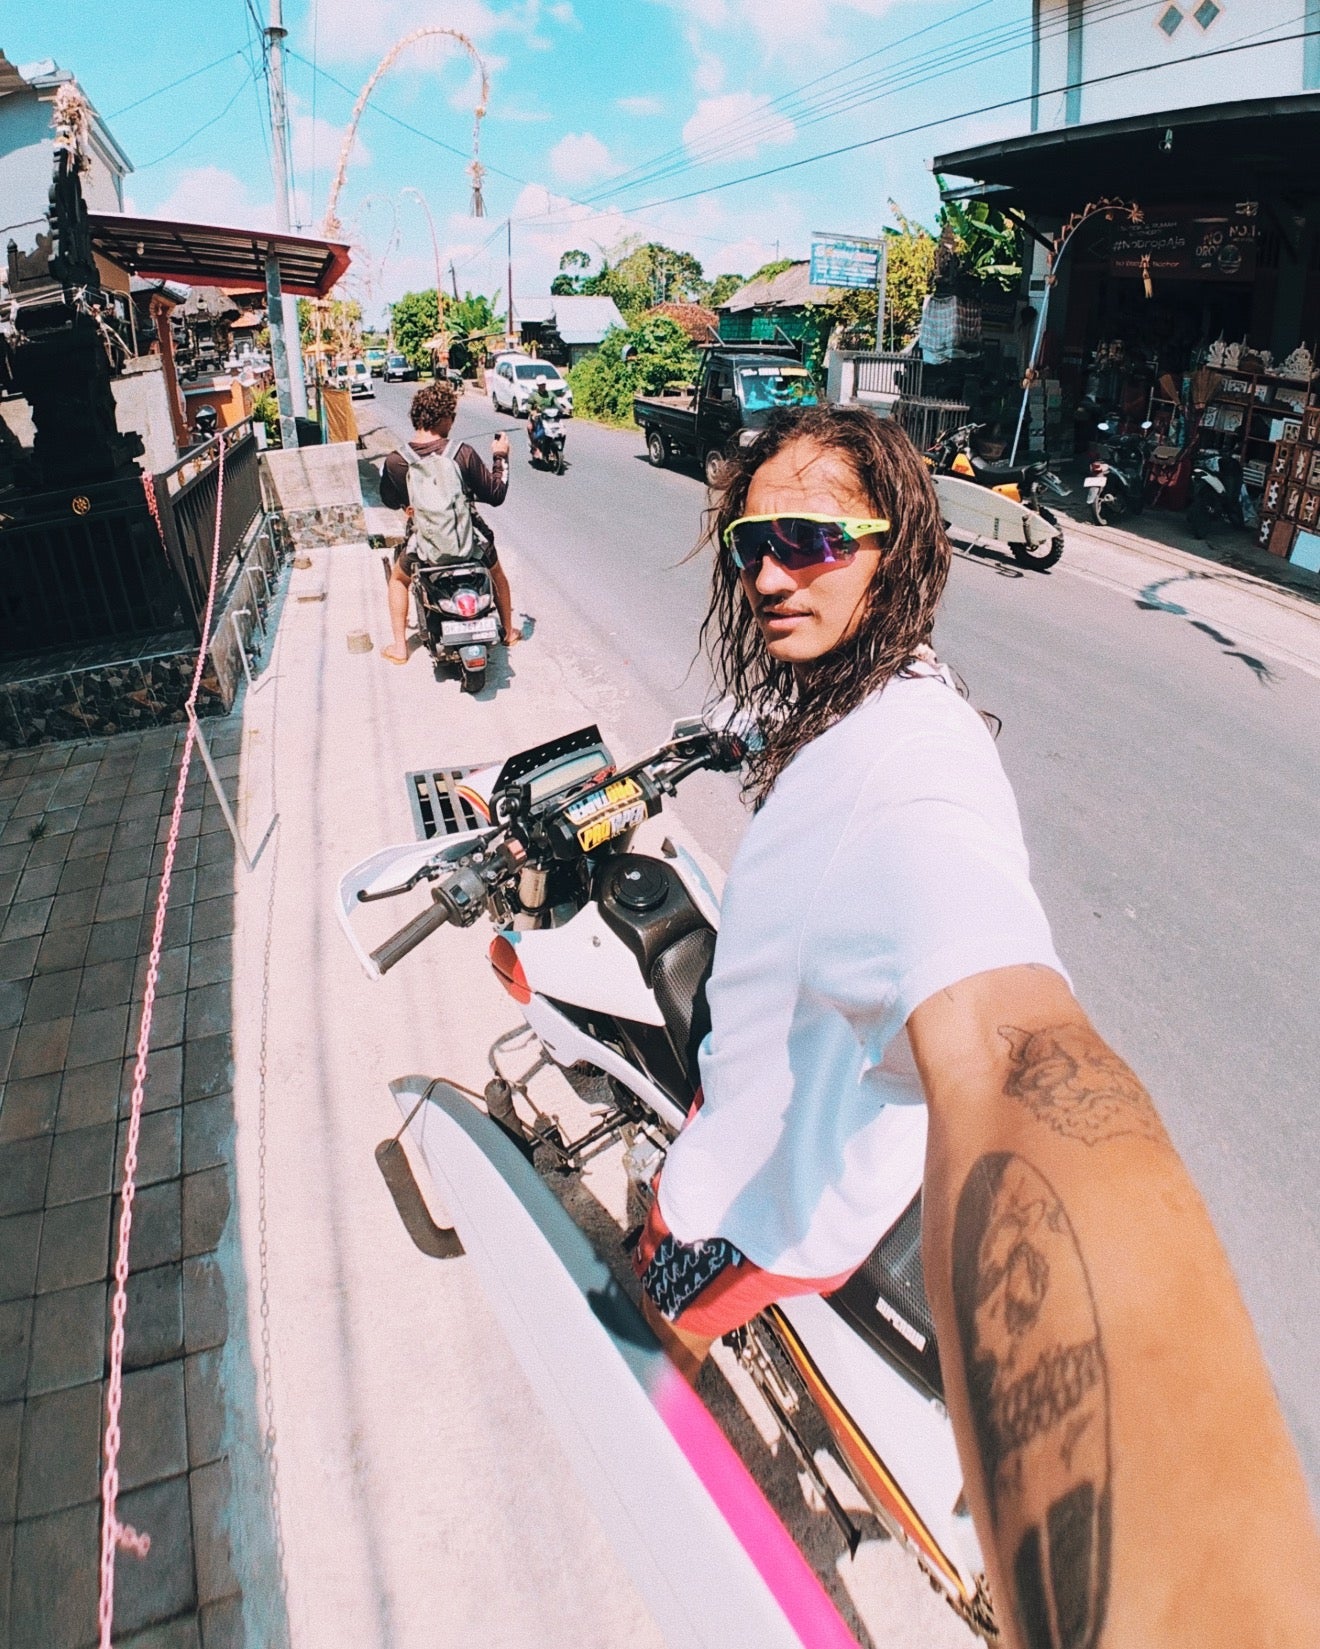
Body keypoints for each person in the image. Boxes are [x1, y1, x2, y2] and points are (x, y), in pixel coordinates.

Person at [634, 404, 1320, 1645]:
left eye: (810, 539)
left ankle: (656, 1440)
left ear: (893, 548)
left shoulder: (912, 769)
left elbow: (1014, 1047)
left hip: (761, 1197)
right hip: (796, 1113)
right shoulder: (877, 687)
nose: (772, 574)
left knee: (652, 1294)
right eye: (750, 543)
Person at [378, 381, 516, 663]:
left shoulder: (395, 461)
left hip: (424, 548)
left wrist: (409, 504)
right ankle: (509, 631)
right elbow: (496, 494)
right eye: (452, 416)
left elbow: (389, 500)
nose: (453, 422)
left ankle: (400, 648)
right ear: (444, 418)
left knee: (399, 580)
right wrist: (500, 455)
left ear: (416, 417)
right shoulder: (462, 453)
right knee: (498, 575)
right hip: (469, 543)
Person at [526, 371, 558, 458]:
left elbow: (556, 404)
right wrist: (532, 412)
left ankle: (554, 446)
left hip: (549, 417)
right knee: (530, 427)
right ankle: (535, 447)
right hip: (537, 418)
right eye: (540, 385)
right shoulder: (534, 395)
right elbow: (528, 406)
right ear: (537, 385)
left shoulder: (550, 395)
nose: (542, 386)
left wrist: (563, 409)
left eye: (543, 384)